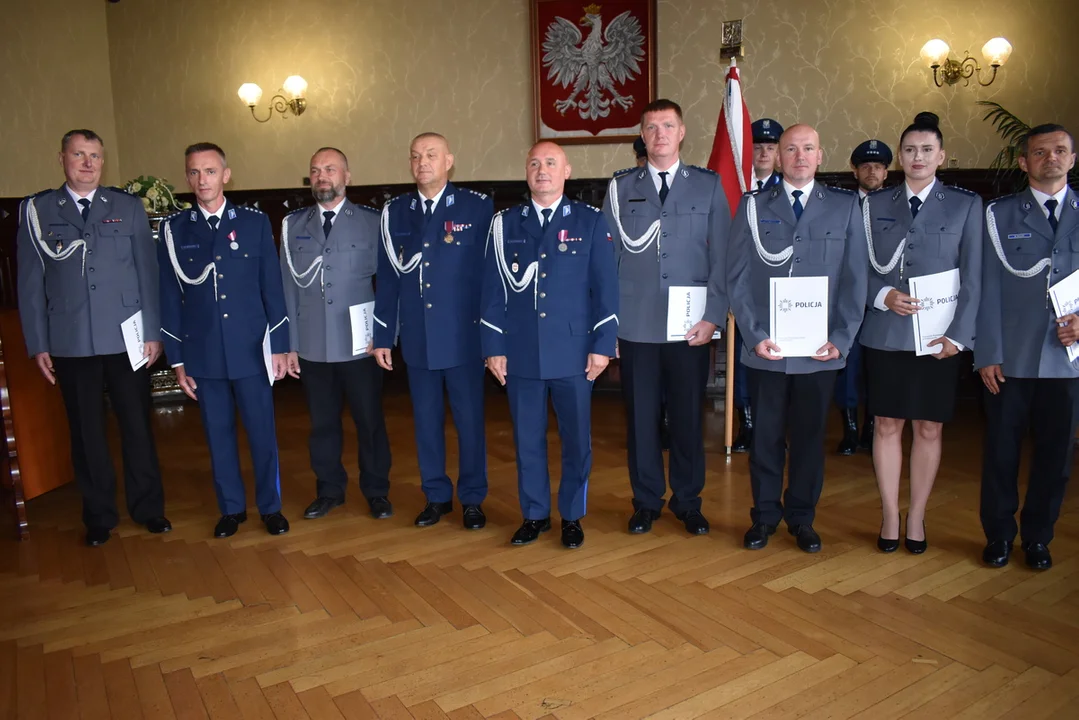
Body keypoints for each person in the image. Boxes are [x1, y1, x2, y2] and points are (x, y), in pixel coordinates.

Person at [16, 129, 169, 547]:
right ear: (62, 159)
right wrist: (38, 342)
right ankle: (99, 515)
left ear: (103, 161)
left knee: (137, 425)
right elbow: (30, 283)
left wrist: (152, 332)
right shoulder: (38, 210)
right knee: (86, 432)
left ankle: (149, 508)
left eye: (95, 156)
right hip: (71, 340)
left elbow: (148, 272)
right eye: (79, 154)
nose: (88, 163)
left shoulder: (126, 206)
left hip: (126, 338)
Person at [729, 124, 868, 553]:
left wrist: (841, 339)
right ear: (778, 157)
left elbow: (856, 280)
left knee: (809, 440)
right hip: (767, 349)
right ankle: (764, 516)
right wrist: (753, 335)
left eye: (808, 148)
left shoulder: (845, 206)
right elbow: (737, 277)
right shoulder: (753, 206)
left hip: (819, 351)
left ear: (821, 155)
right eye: (791, 149)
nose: (800, 156)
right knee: (765, 438)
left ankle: (802, 518)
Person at [480, 141, 618, 548]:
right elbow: (492, 292)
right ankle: (535, 514)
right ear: (526, 171)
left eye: (551, 163)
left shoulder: (590, 221)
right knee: (527, 440)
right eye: (535, 163)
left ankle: (572, 516)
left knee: (577, 441)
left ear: (566, 171)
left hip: (574, 353)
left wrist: (603, 344)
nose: (542, 170)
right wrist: (493, 345)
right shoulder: (505, 224)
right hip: (520, 351)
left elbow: (606, 290)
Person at [602, 98, 730, 536]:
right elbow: (607, 260)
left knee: (688, 416)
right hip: (635, 322)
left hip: (690, 325)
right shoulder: (620, 188)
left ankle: (688, 500)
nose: (660, 134)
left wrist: (714, 317)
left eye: (668, 126)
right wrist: (607, 324)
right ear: (642, 135)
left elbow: (723, 257)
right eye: (652, 127)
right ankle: (646, 501)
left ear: (682, 132)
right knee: (641, 419)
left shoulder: (708, 186)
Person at [862, 112, 983, 554]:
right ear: (899, 156)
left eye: (927, 150)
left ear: (941, 156)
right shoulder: (873, 204)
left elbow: (975, 277)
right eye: (910, 150)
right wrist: (882, 295)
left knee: (929, 428)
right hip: (886, 333)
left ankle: (917, 515)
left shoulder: (966, 205)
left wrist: (959, 336)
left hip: (938, 337)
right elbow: (853, 268)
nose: (918, 157)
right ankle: (890, 514)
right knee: (887, 423)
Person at [158, 142, 291, 538]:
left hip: (251, 348)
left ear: (226, 175)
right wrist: (177, 359)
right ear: (187, 178)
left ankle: (271, 507)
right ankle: (231, 509)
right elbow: (169, 296)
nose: (203, 180)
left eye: (210, 171)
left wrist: (280, 345)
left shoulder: (253, 223)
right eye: (194, 172)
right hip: (203, 352)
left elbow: (272, 288)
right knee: (218, 436)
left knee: (262, 433)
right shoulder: (174, 230)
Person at [373, 133, 493, 529]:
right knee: (426, 423)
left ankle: (472, 498)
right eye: (415, 156)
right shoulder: (395, 212)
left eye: (430, 155)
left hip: (463, 337)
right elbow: (388, 278)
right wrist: (383, 335)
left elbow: (488, 277)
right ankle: (436, 496)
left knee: (469, 423)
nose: (422, 162)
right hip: (418, 336)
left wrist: (492, 336)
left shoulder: (476, 207)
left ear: (448, 161)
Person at [976, 124, 1078, 570]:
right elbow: (984, 286)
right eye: (1040, 152)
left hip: (1067, 360)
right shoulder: (997, 215)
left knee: (1056, 456)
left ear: (1072, 158)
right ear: (1023, 162)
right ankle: (999, 535)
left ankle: (1038, 537)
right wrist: (987, 352)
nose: (1051, 158)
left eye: (1059, 150)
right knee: (1001, 453)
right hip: (1009, 358)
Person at [280, 147, 393, 521]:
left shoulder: (373, 222)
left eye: (330, 169)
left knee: (369, 421)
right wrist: (290, 345)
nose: (322, 176)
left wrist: (385, 335)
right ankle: (329, 490)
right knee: (322, 424)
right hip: (313, 344)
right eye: (315, 170)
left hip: (361, 343)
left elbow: (389, 284)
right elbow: (287, 288)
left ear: (347, 176)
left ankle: (376, 491)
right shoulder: (293, 225)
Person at [834, 139, 892, 455]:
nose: (872, 171)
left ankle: (872, 426)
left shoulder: (897, 206)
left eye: (878, 166)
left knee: (878, 369)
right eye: (866, 166)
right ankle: (850, 429)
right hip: (846, 298)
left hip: (883, 302)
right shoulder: (841, 205)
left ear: (886, 172)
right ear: (854, 171)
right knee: (848, 365)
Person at [732, 118, 785, 452]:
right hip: (745, 292)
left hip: (780, 293)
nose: (763, 153)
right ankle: (746, 423)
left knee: (779, 360)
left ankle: (774, 429)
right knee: (744, 359)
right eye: (757, 147)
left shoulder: (787, 189)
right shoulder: (734, 184)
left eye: (770, 147)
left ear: (779, 153)